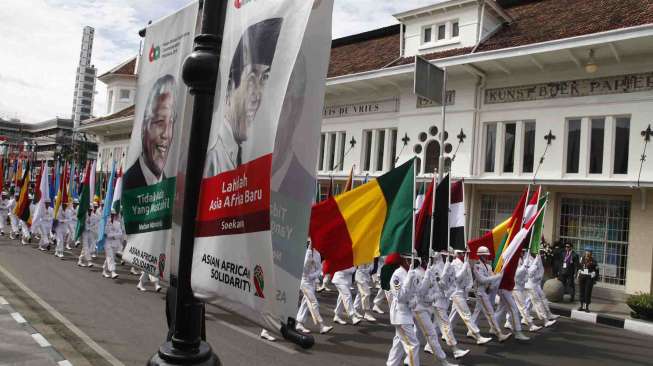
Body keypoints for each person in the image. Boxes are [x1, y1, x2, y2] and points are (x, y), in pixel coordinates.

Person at [205, 18, 283, 176]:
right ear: (229, 86)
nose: (257, 96)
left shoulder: (240, 156)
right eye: (251, 80)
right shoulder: (211, 163)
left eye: (264, 79)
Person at [123, 74, 176, 190]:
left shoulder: (171, 190)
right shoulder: (126, 187)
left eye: (171, 122)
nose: (166, 134)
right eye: (160, 122)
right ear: (143, 127)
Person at [412, 257, 457, 366]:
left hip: (426, 307)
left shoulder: (427, 271)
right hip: (419, 308)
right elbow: (421, 293)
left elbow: (435, 288)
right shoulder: (415, 273)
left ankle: (408, 361)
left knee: (413, 337)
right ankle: (444, 362)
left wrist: (437, 295)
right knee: (431, 334)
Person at [427, 252, 469, 360]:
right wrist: (446, 271)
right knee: (446, 325)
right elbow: (441, 284)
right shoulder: (434, 268)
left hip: (444, 300)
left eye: (448, 254)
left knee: (436, 326)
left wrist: (463, 267)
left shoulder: (448, 266)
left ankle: (429, 346)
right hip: (437, 301)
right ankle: (455, 350)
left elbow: (455, 280)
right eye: (445, 254)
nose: (448, 256)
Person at [448, 250, 492, 345]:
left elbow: (469, 277)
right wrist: (465, 266)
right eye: (462, 253)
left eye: (465, 253)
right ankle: (478, 336)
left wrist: (468, 287)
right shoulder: (453, 264)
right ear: (457, 254)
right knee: (467, 315)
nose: (465, 255)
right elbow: (457, 278)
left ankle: (446, 333)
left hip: (463, 292)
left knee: (453, 316)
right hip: (456, 292)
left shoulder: (465, 262)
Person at [471, 246, 512, 341]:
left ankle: (471, 330)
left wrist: (498, 274)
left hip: (486, 290)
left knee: (477, 311)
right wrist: (497, 277)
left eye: (487, 255)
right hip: (480, 292)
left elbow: (491, 277)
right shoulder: (477, 266)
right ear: (480, 256)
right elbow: (482, 280)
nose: (486, 257)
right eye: (484, 255)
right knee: (490, 313)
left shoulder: (488, 266)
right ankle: (499, 334)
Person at [386, 252, 419, 366]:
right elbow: (400, 296)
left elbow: (414, 292)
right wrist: (409, 279)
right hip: (400, 315)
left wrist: (414, 300)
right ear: (406, 260)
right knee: (413, 345)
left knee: (399, 344)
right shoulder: (397, 275)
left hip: (406, 313)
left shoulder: (409, 273)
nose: (413, 263)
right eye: (411, 260)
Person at [295, 242, 333, 334]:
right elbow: (304, 268)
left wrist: (313, 275)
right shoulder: (304, 252)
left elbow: (320, 269)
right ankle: (321, 325)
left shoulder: (317, 254)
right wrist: (309, 251)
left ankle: (299, 323)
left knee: (305, 303)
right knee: (314, 303)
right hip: (304, 283)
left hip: (312, 282)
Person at [507, 251, 542, 333]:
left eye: (523, 251)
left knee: (508, 307)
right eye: (521, 251)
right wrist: (524, 266)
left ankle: (507, 322)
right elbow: (518, 273)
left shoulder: (521, 259)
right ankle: (531, 325)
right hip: (516, 287)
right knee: (522, 307)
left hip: (518, 286)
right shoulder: (516, 260)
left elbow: (527, 274)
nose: (522, 253)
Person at [526, 249, 558, 326]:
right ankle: (545, 320)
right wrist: (535, 262)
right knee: (537, 302)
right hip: (530, 284)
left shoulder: (537, 256)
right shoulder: (527, 259)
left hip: (536, 283)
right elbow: (530, 273)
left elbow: (541, 268)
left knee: (542, 298)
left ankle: (548, 314)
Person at [102, 209, 122, 279]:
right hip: (107, 243)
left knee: (110, 257)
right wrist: (113, 235)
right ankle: (113, 272)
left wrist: (113, 235)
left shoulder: (118, 223)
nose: (112, 216)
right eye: (111, 214)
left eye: (113, 215)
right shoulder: (106, 222)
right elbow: (105, 234)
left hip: (115, 243)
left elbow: (120, 234)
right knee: (110, 257)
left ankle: (104, 270)